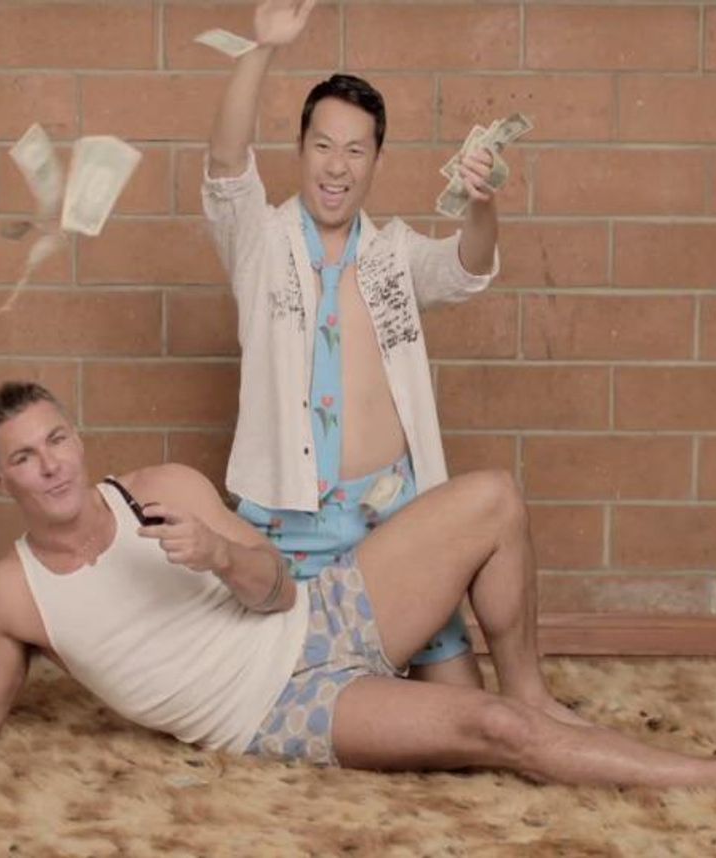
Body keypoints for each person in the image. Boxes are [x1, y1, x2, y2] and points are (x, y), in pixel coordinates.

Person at [0, 382, 716, 804]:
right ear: (0, 479)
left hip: (321, 610)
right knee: (494, 735)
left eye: (58, 439)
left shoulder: (162, 491)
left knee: (493, 498)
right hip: (277, 708)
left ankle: (534, 689)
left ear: (78, 437)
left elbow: (278, 589)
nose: (52, 465)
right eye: (25, 458)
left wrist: (216, 552)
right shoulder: (12, 596)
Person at [202, 0, 504, 690]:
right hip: (290, 526)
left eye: (355, 150)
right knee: (303, 699)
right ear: (301, 150)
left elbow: (466, 267)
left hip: (392, 519)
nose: (336, 167)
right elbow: (224, 163)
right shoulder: (261, 242)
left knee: (462, 705)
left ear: (375, 161)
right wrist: (262, 47)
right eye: (323, 146)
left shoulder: (394, 254)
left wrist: (483, 204)